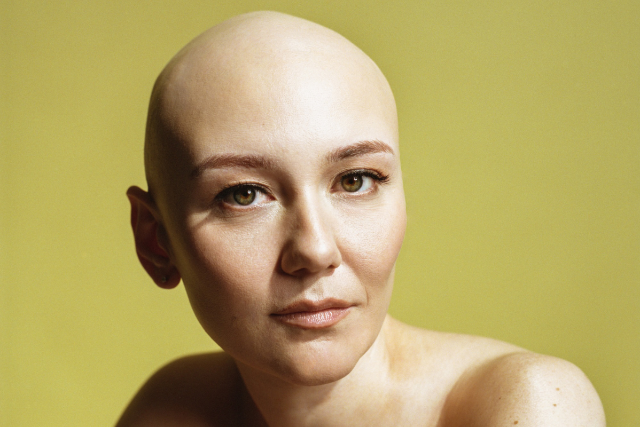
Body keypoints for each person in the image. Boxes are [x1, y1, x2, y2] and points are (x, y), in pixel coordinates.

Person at [118, 11, 605, 426]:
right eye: (244, 195)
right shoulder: (174, 408)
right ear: (156, 241)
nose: (315, 250)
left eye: (355, 180)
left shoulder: (528, 403)